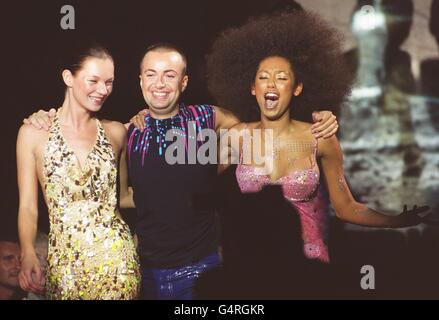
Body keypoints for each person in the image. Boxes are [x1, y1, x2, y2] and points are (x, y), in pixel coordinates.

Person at [23, 43, 338, 300]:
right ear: (141, 81)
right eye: (151, 74)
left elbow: (268, 122)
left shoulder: (208, 119)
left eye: (169, 75)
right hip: (139, 273)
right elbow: (118, 200)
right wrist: (45, 117)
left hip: (201, 273)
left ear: (183, 82)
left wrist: (318, 116)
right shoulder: (127, 132)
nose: (159, 84)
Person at [205, 11, 430, 264]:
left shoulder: (320, 137)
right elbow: (201, 193)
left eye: (281, 78)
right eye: (263, 78)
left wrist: (396, 221)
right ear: (252, 88)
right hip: (250, 261)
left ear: (297, 88)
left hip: (308, 264)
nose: (271, 85)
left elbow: (347, 208)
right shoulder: (236, 138)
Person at [17, 44, 140, 300]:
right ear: (67, 78)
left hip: (118, 261)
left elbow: (125, 198)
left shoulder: (117, 132)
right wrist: (27, 251)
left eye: (109, 82)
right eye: (93, 80)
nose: (103, 90)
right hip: (65, 266)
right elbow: (28, 207)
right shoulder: (33, 133)